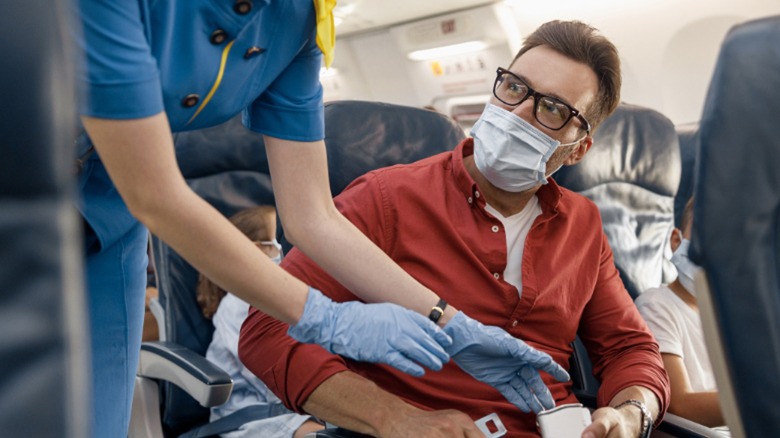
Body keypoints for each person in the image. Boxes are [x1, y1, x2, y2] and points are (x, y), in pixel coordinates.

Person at [71, 1, 563, 435]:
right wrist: (324, 317)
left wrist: (449, 323)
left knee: (96, 422)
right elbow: (155, 192)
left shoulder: (300, 20)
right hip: (26, 189)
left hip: (111, 222)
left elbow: (312, 216)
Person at [239, 20, 670, 438]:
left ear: (578, 149)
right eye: (515, 87)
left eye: (553, 109)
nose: (518, 113)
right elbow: (266, 331)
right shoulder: (387, 198)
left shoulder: (583, 225)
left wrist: (634, 413)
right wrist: (392, 418)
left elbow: (630, 349)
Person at [197, 206, 324, 438]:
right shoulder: (238, 303)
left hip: (288, 411)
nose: (289, 249)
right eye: (280, 241)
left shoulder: (289, 295)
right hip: (246, 418)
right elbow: (268, 370)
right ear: (255, 251)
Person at [635, 198, 727, 429]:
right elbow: (679, 405)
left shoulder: (731, 319)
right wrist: (759, 402)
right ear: (676, 240)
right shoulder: (656, 305)